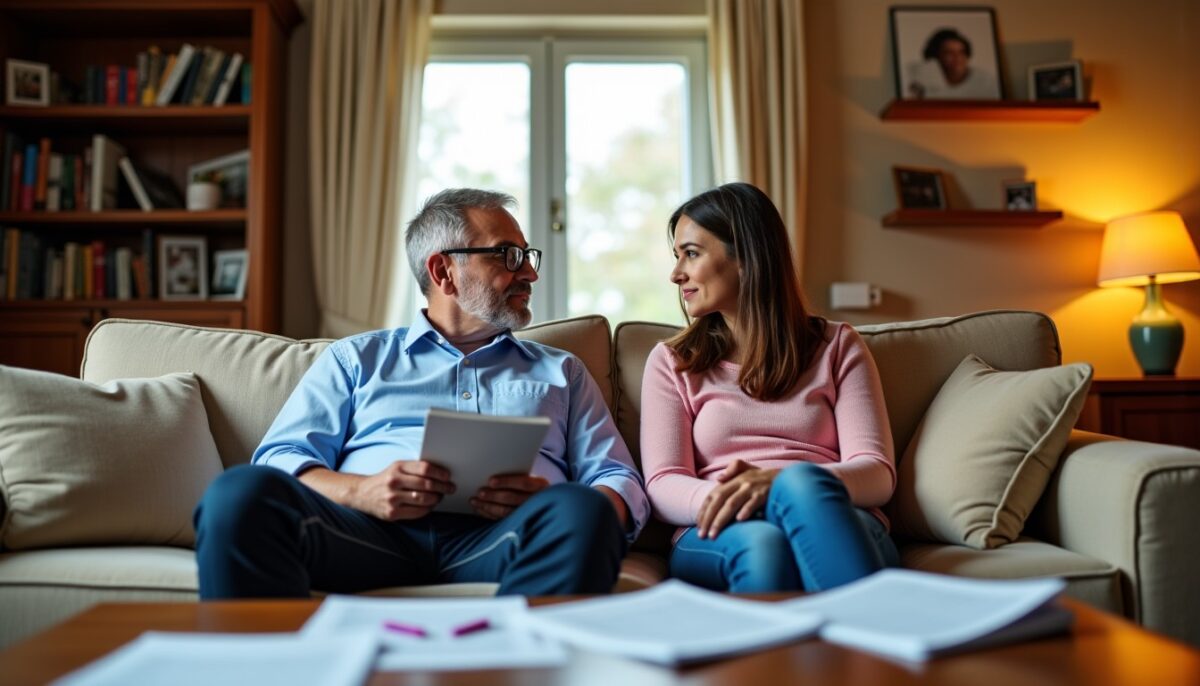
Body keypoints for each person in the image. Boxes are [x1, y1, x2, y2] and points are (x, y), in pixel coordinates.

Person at [194, 188, 648, 599]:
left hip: (505, 539)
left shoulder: (562, 371)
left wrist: (543, 499)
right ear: (443, 271)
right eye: (508, 256)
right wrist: (361, 491)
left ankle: (516, 653)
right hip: (366, 535)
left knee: (583, 509)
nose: (529, 272)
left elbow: (617, 479)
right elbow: (280, 457)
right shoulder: (355, 359)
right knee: (239, 493)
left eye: (527, 256)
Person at [640, 182, 899, 593]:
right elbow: (663, 481)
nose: (676, 274)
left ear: (746, 256)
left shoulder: (837, 346)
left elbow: (877, 473)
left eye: (691, 253)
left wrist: (779, 483)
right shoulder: (673, 361)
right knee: (765, 546)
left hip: (830, 514)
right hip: (722, 524)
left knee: (801, 485)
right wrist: (741, 496)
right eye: (677, 256)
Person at [908, 27, 998, 99]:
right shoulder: (921, 78)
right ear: (935, 56)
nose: (957, 58)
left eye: (961, 52)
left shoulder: (987, 82)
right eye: (949, 53)